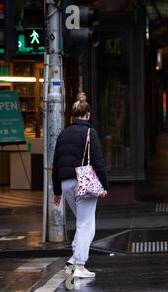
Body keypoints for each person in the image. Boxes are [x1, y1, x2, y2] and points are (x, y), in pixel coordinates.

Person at [52, 93, 108, 279]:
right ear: (88, 115)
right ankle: (80, 264)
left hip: (66, 183)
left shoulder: (63, 133)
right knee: (85, 224)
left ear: (73, 115)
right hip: (84, 183)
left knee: (84, 223)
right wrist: (104, 185)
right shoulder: (90, 133)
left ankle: (73, 258)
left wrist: (57, 191)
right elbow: (98, 162)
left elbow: (56, 163)